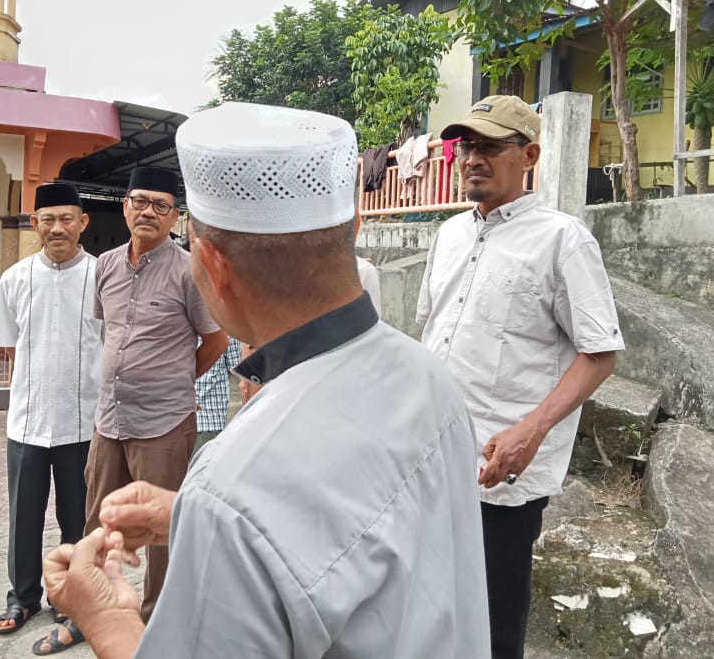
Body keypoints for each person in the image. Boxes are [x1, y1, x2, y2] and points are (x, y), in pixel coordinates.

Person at [41, 102, 491, 658]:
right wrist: (190, 516)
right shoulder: (431, 379)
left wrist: (105, 618)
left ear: (210, 264)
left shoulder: (233, 483)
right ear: (351, 228)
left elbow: (264, 510)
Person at [417, 95, 625, 659]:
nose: (472, 159)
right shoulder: (448, 235)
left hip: (500, 467)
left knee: (492, 621)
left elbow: (599, 352)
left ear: (528, 155)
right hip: (431, 455)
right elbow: (430, 337)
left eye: (490, 146)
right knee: (428, 603)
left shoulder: (563, 240)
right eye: (466, 146)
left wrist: (531, 430)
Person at [27, 164, 227, 655]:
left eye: (161, 206)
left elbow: (216, 339)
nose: (148, 213)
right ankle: (87, 615)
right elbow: (109, 331)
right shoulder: (106, 266)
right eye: (140, 202)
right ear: (124, 207)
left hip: (163, 422)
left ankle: (156, 624)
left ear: (174, 215)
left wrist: (176, 379)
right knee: (98, 519)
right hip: (109, 419)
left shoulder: (188, 268)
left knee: (158, 529)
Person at [0, 183, 103, 639]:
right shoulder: (15, 278)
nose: (58, 228)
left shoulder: (101, 276)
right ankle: (23, 598)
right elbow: (10, 349)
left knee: (78, 519)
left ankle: (73, 600)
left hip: (84, 421)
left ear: (82, 223)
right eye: (48, 219)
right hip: (28, 422)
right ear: (35, 223)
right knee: (24, 518)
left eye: (67, 218)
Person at [193, 337, 242, 454]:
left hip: (172, 424)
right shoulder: (223, 326)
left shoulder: (172, 326)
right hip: (209, 420)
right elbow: (238, 368)